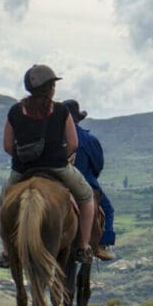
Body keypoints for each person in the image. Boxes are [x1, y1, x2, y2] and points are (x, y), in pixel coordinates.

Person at [0, 64, 95, 268]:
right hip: (57, 167)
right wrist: (60, 157)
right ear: (49, 87)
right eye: (53, 84)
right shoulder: (60, 110)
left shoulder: (15, 111)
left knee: (2, 201)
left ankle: (6, 252)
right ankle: (84, 247)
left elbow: (7, 145)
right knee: (86, 197)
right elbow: (73, 143)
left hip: (23, 170)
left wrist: (24, 160)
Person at [62, 99, 116, 261]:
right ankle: (101, 245)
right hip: (85, 181)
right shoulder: (90, 140)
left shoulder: (55, 137)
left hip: (57, 179)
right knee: (108, 209)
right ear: (78, 119)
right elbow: (98, 165)